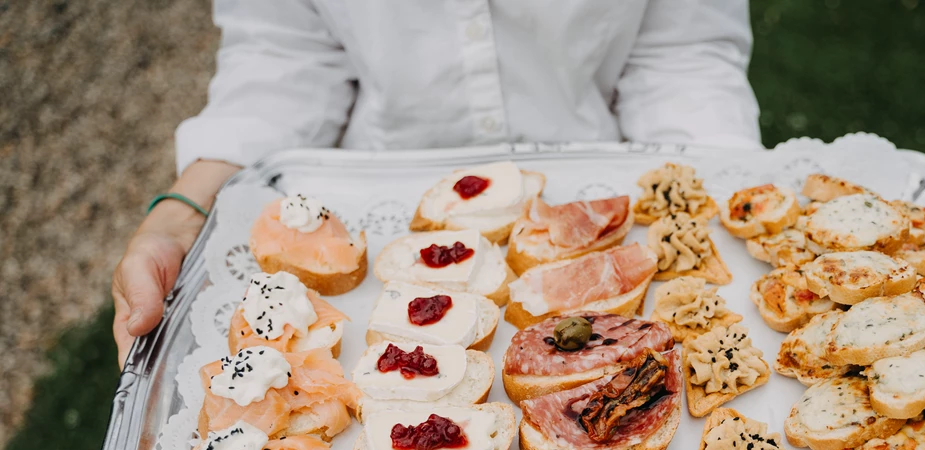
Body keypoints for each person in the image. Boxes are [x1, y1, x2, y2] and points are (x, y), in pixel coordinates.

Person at [112, 0, 762, 365]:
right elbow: (286, 58)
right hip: (383, 211)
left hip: (598, 200)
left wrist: (719, 202)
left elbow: (682, 55)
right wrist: (181, 213)